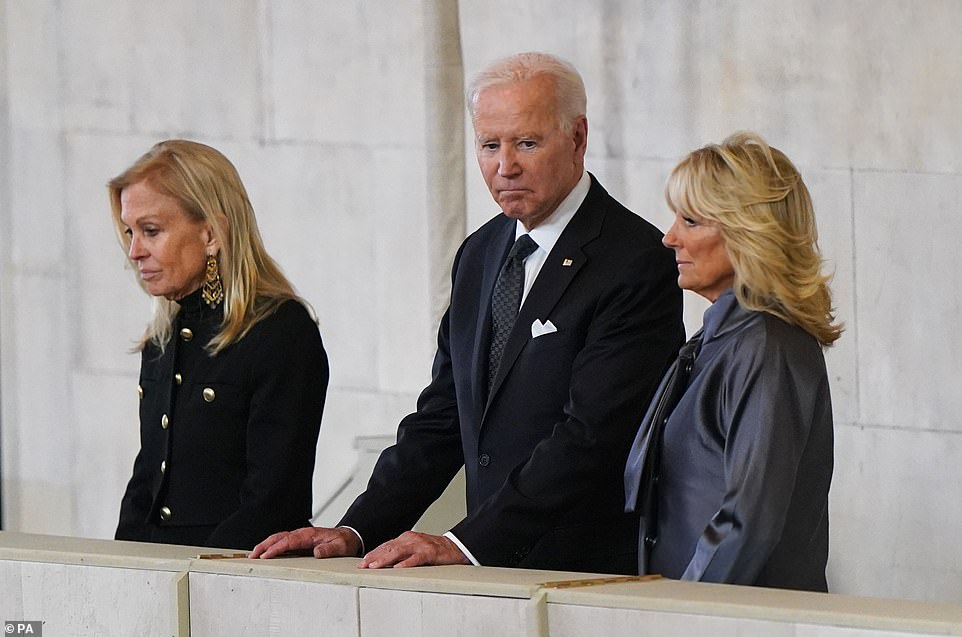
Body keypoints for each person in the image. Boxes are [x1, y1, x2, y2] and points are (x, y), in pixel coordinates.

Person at [252, 52, 684, 574]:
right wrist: (356, 530)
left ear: (577, 138)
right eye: (488, 145)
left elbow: (590, 437)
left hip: (588, 577)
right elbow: (442, 416)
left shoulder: (635, 259)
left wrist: (465, 544)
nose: (506, 166)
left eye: (527, 142)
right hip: (490, 576)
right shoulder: (479, 255)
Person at [624, 131, 843, 591]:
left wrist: (682, 616)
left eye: (691, 220)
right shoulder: (725, 338)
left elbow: (748, 518)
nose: (669, 238)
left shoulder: (766, 346)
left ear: (748, 232)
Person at [111, 140, 329, 550]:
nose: (135, 251)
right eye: (130, 232)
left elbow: (274, 499)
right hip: (161, 575)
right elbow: (147, 481)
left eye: (151, 231)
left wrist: (199, 575)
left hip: (236, 575)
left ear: (211, 233)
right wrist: (121, 566)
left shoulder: (280, 331)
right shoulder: (162, 339)